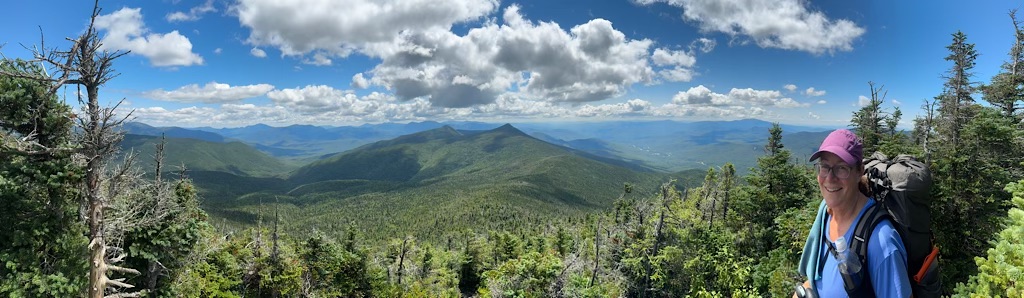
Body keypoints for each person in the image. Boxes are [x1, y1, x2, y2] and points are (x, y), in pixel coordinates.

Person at [795, 129, 911, 298]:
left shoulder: (882, 242)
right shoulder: (826, 213)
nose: (829, 178)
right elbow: (820, 279)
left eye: (841, 168)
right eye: (824, 166)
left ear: (859, 171)